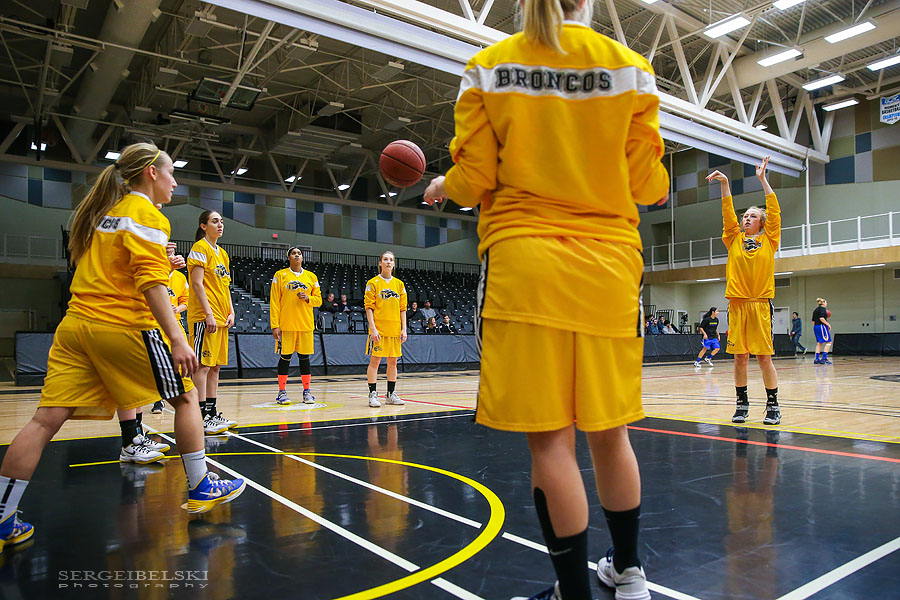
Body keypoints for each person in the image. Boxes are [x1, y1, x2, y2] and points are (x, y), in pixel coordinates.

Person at [422, 0, 670, 597]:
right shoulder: (631, 68)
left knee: (552, 441)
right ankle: (630, 575)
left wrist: (440, 186)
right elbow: (648, 185)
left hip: (526, 266)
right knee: (610, 432)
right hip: (610, 268)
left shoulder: (488, 66)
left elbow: (475, 178)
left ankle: (573, 595)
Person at [0, 143, 246, 552]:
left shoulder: (107, 216)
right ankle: (201, 485)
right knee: (187, 397)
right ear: (151, 172)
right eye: (171, 173)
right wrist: (179, 338)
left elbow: (117, 271)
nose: (175, 181)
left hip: (75, 326)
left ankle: (2, 517)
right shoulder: (148, 215)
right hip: (122, 324)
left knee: (44, 421)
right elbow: (151, 286)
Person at [708, 156, 781, 426]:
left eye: (752, 216)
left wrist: (763, 180)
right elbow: (728, 212)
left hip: (760, 304)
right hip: (737, 305)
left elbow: (774, 211)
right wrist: (725, 184)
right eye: (745, 216)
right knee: (740, 359)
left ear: (761, 222)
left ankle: (773, 406)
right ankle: (742, 404)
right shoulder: (733, 239)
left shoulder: (770, 239)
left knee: (763, 358)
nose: (746, 218)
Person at [187, 211, 238, 433]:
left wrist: (231, 311)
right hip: (204, 316)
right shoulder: (200, 248)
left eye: (222, 221)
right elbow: (197, 283)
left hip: (221, 317)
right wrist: (208, 313)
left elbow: (225, 286)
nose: (220, 224)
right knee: (203, 366)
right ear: (203, 225)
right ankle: (199, 415)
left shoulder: (223, 254)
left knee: (215, 366)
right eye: (215, 221)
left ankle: (211, 412)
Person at [270, 247, 322, 405]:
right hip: (286, 325)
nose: (297, 255)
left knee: (304, 358)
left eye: (299, 253)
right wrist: (275, 325)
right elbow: (274, 301)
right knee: (285, 358)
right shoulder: (280, 275)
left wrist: (308, 298)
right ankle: (282, 392)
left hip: (305, 325)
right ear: (289, 257)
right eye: (294, 253)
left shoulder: (311, 277)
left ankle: (307, 391)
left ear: (302, 258)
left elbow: (318, 300)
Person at [364, 251, 407, 408]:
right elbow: (369, 308)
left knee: (393, 362)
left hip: (395, 329)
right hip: (379, 329)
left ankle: (390, 394)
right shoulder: (373, 283)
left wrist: (404, 328)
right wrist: (373, 328)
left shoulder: (399, 285)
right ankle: (372, 394)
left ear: (394, 264)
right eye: (385, 259)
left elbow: (403, 308)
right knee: (375, 361)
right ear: (380, 263)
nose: (388, 262)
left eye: (391, 260)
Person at [151, 243, 190, 415]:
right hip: (155, 323)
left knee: (180, 361)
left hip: (175, 323)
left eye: (173, 252)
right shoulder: (154, 271)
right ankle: (157, 400)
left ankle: (183, 393)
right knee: (156, 362)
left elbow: (186, 301)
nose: (171, 254)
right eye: (167, 252)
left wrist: (178, 309)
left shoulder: (181, 278)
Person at [812, 298, 832, 364]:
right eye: (826, 302)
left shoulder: (815, 310)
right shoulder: (823, 309)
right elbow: (821, 318)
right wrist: (828, 324)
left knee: (819, 343)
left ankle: (816, 359)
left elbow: (813, 321)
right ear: (823, 303)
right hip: (821, 326)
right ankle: (824, 358)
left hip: (816, 326)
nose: (827, 304)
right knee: (829, 342)